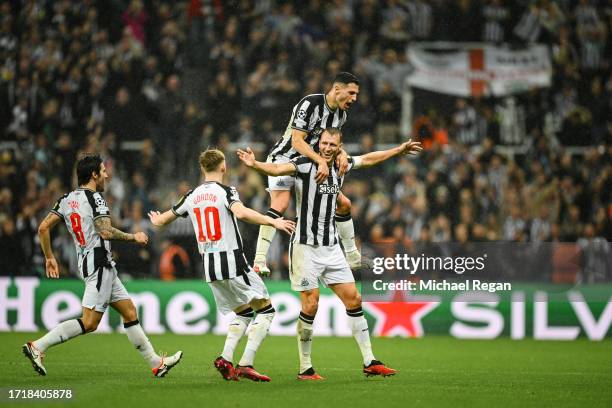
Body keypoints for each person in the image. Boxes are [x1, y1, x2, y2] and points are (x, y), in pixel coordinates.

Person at [237, 128, 422, 379]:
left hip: (331, 247)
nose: (327, 147)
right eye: (324, 143)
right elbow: (278, 170)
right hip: (305, 247)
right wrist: (255, 164)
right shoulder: (305, 163)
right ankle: (305, 367)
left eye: (332, 144)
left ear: (339, 145)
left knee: (354, 299)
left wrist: (398, 150)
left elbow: (368, 158)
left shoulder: (341, 165)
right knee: (311, 304)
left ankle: (370, 361)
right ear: (318, 144)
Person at [23, 154, 182, 377]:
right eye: (103, 171)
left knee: (129, 312)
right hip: (99, 264)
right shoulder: (96, 198)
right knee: (89, 323)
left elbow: (42, 228)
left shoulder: (66, 199)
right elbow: (105, 231)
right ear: (94, 175)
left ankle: (156, 363)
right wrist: (133, 236)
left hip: (93, 263)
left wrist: (49, 256)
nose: (107, 175)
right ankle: (38, 346)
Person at [148, 149, 295, 382]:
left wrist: (156, 220)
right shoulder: (226, 191)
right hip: (233, 261)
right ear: (223, 167)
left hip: (210, 267)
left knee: (244, 313)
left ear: (202, 168)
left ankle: (225, 358)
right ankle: (246, 363)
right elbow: (242, 213)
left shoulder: (191, 195)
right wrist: (271, 220)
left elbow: (163, 220)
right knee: (266, 310)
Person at [254, 72, 362, 276]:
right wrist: (321, 160)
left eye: (356, 94)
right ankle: (259, 259)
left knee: (343, 203)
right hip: (285, 159)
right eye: (351, 93)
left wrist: (341, 152)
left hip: (311, 165)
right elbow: (296, 141)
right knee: (281, 204)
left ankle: (351, 254)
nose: (354, 99)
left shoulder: (341, 115)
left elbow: (332, 141)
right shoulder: (310, 104)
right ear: (337, 89)